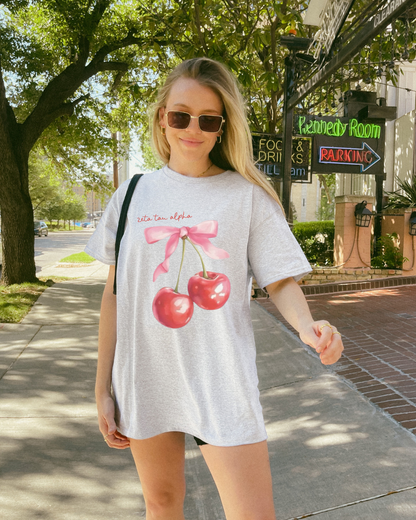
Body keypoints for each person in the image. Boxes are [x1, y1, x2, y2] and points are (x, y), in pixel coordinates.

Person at [85, 57, 344, 520]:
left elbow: (280, 278)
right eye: (180, 115)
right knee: (161, 505)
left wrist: (309, 326)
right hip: (144, 379)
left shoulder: (245, 195)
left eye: (208, 119)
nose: (192, 129)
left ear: (223, 127)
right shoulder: (131, 194)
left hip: (220, 380)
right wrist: (102, 387)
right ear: (162, 117)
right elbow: (115, 296)